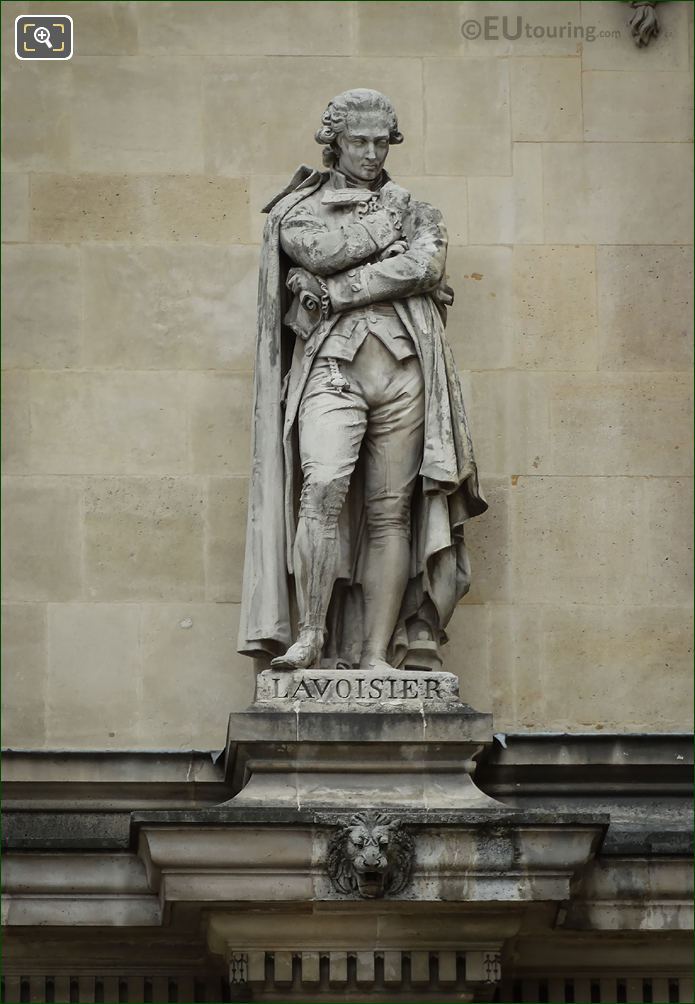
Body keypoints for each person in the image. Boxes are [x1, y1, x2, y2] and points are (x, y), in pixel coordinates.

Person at [238, 88, 487, 673]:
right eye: (359, 142)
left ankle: (376, 655)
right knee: (321, 488)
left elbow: (425, 264)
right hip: (333, 368)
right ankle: (309, 635)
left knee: (390, 512)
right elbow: (314, 250)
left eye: (381, 142)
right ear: (334, 143)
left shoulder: (420, 210)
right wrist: (385, 241)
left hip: (405, 371)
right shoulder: (298, 210)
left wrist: (343, 288)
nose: (372, 153)